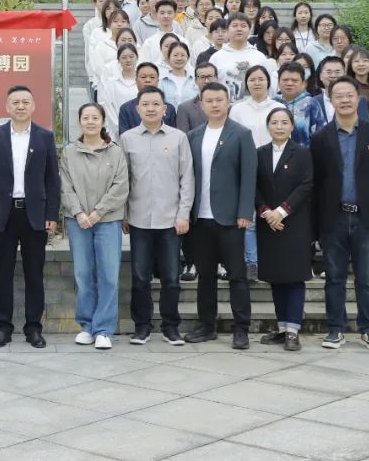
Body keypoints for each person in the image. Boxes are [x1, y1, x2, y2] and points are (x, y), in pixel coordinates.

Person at [311, 76, 369, 351]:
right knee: (334, 277)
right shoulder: (320, 138)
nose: (345, 100)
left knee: (366, 278)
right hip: (333, 218)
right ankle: (335, 329)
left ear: (358, 98)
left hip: (366, 216)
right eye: (339, 96)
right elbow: (317, 179)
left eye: (349, 95)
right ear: (331, 100)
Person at [0, 85, 60, 349]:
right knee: (2, 273)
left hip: (34, 214)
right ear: (7, 107)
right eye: (15, 102)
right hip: (3, 215)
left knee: (34, 273)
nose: (21, 106)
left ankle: (33, 328)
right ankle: (3, 328)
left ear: (33, 106)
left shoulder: (44, 137)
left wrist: (52, 213)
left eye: (26, 101)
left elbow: (52, 179)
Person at [185, 83, 257, 349]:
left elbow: (249, 175)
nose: (215, 105)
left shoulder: (241, 134)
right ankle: (207, 325)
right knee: (206, 276)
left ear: (228, 102)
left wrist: (245, 212)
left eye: (219, 100)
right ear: (201, 104)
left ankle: (242, 328)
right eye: (209, 100)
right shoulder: (193, 136)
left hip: (230, 218)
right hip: (200, 218)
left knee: (237, 275)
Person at [121, 86, 194, 345]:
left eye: (156, 104)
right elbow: (123, 180)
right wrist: (124, 214)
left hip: (170, 220)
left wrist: (183, 213)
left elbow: (187, 178)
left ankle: (170, 327)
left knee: (171, 278)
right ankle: (142, 326)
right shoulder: (127, 138)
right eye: (146, 104)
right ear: (137, 108)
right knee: (140, 278)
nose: (151, 108)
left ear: (165, 109)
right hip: (138, 219)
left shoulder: (178, 138)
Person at [60, 103, 129, 350]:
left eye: (95, 117)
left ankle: (104, 329)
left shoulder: (115, 152)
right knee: (83, 274)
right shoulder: (69, 152)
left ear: (102, 122)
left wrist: (98, 212)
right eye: (85, 118)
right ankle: (87, 326)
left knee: (109, 275)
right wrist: (79, 212)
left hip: (107, 221)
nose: (90, 122)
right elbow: (65, 186)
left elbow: (121, 187)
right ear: (79, 122)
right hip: (78, 221)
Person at [255, 107, 314, 351]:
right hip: (268, 224)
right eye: (274, 122)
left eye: (284, 122)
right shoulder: (259, 153)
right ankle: (281, 328)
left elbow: (306, 185)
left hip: (294, 223)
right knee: (276, 277)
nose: (279, 127)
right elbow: (253, 186)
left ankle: (293, 330)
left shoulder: (302, 153)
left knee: (294, 277)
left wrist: (281, 211)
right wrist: (266, 212)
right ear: (268, 126)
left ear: (292, 126)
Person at [229, 65, 284, 282]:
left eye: (261, 79)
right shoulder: (238, 109)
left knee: (273, 214)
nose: (257, 83)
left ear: (269, 82)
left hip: (274, 166)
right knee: (250, 218)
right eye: (252, 79)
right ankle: (252, 262)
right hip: (246, 166)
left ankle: (272, 261)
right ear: (247, 84)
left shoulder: (278, 107)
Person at [211, 13, 274, 103]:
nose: (239, 29)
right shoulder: (216, 57)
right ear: (227, 30)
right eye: (235, 26)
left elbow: (269, 86)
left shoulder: (259, 57)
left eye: (243, 26)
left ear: (249, 30)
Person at [274, 62, 327, 147]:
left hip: (305, 153)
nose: (289, 83)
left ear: (303, 84)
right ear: (278, 82)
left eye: (294, 80)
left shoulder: (311, 104)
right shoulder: (273, 103)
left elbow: (321, 135)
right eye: (285, 80)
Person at [118, 62, 176, 134]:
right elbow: (124, 137)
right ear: (136, 81)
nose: (148, 80)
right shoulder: (126, 109)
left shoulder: (169, 108)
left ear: (157, 81)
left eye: (152, 77)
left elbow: (173, 135)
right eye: (143, 77)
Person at [96, 42, 139, 136]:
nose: (128, 60)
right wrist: (119, 127)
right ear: (118, 60)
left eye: (131, 57)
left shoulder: (143, 82)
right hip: (117, 132)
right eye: (124, 57)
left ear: (137, 58)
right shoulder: (111, 83)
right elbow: (107, 106)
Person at [81, 0, 112, 100]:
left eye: (107, 0)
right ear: (95, 3)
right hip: (96, 74)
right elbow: (91, 52)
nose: (104, 4)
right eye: (101, 0)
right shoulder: (90, 26)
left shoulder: (118, 23)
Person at [139, 0, 187, 66]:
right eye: (162, 13)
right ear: (156, 14)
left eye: (169, 13)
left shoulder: (183, 41)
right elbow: (144, 66)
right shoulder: (149, 43)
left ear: (175, 14)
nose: (166, 16)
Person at [175, 63, 216, 134]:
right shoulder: (185, 108)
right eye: (202, 77)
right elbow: (183, 137)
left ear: (216, 78)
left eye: (210, 76)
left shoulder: (227, 105)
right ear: (195, 81)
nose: (206, 81)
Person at [159, 41, 196, 107]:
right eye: (175, 55)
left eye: (182, 55)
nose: (179, 58)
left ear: (188, 58)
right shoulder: (162, 81)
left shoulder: (195, 80)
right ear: (169, 57)